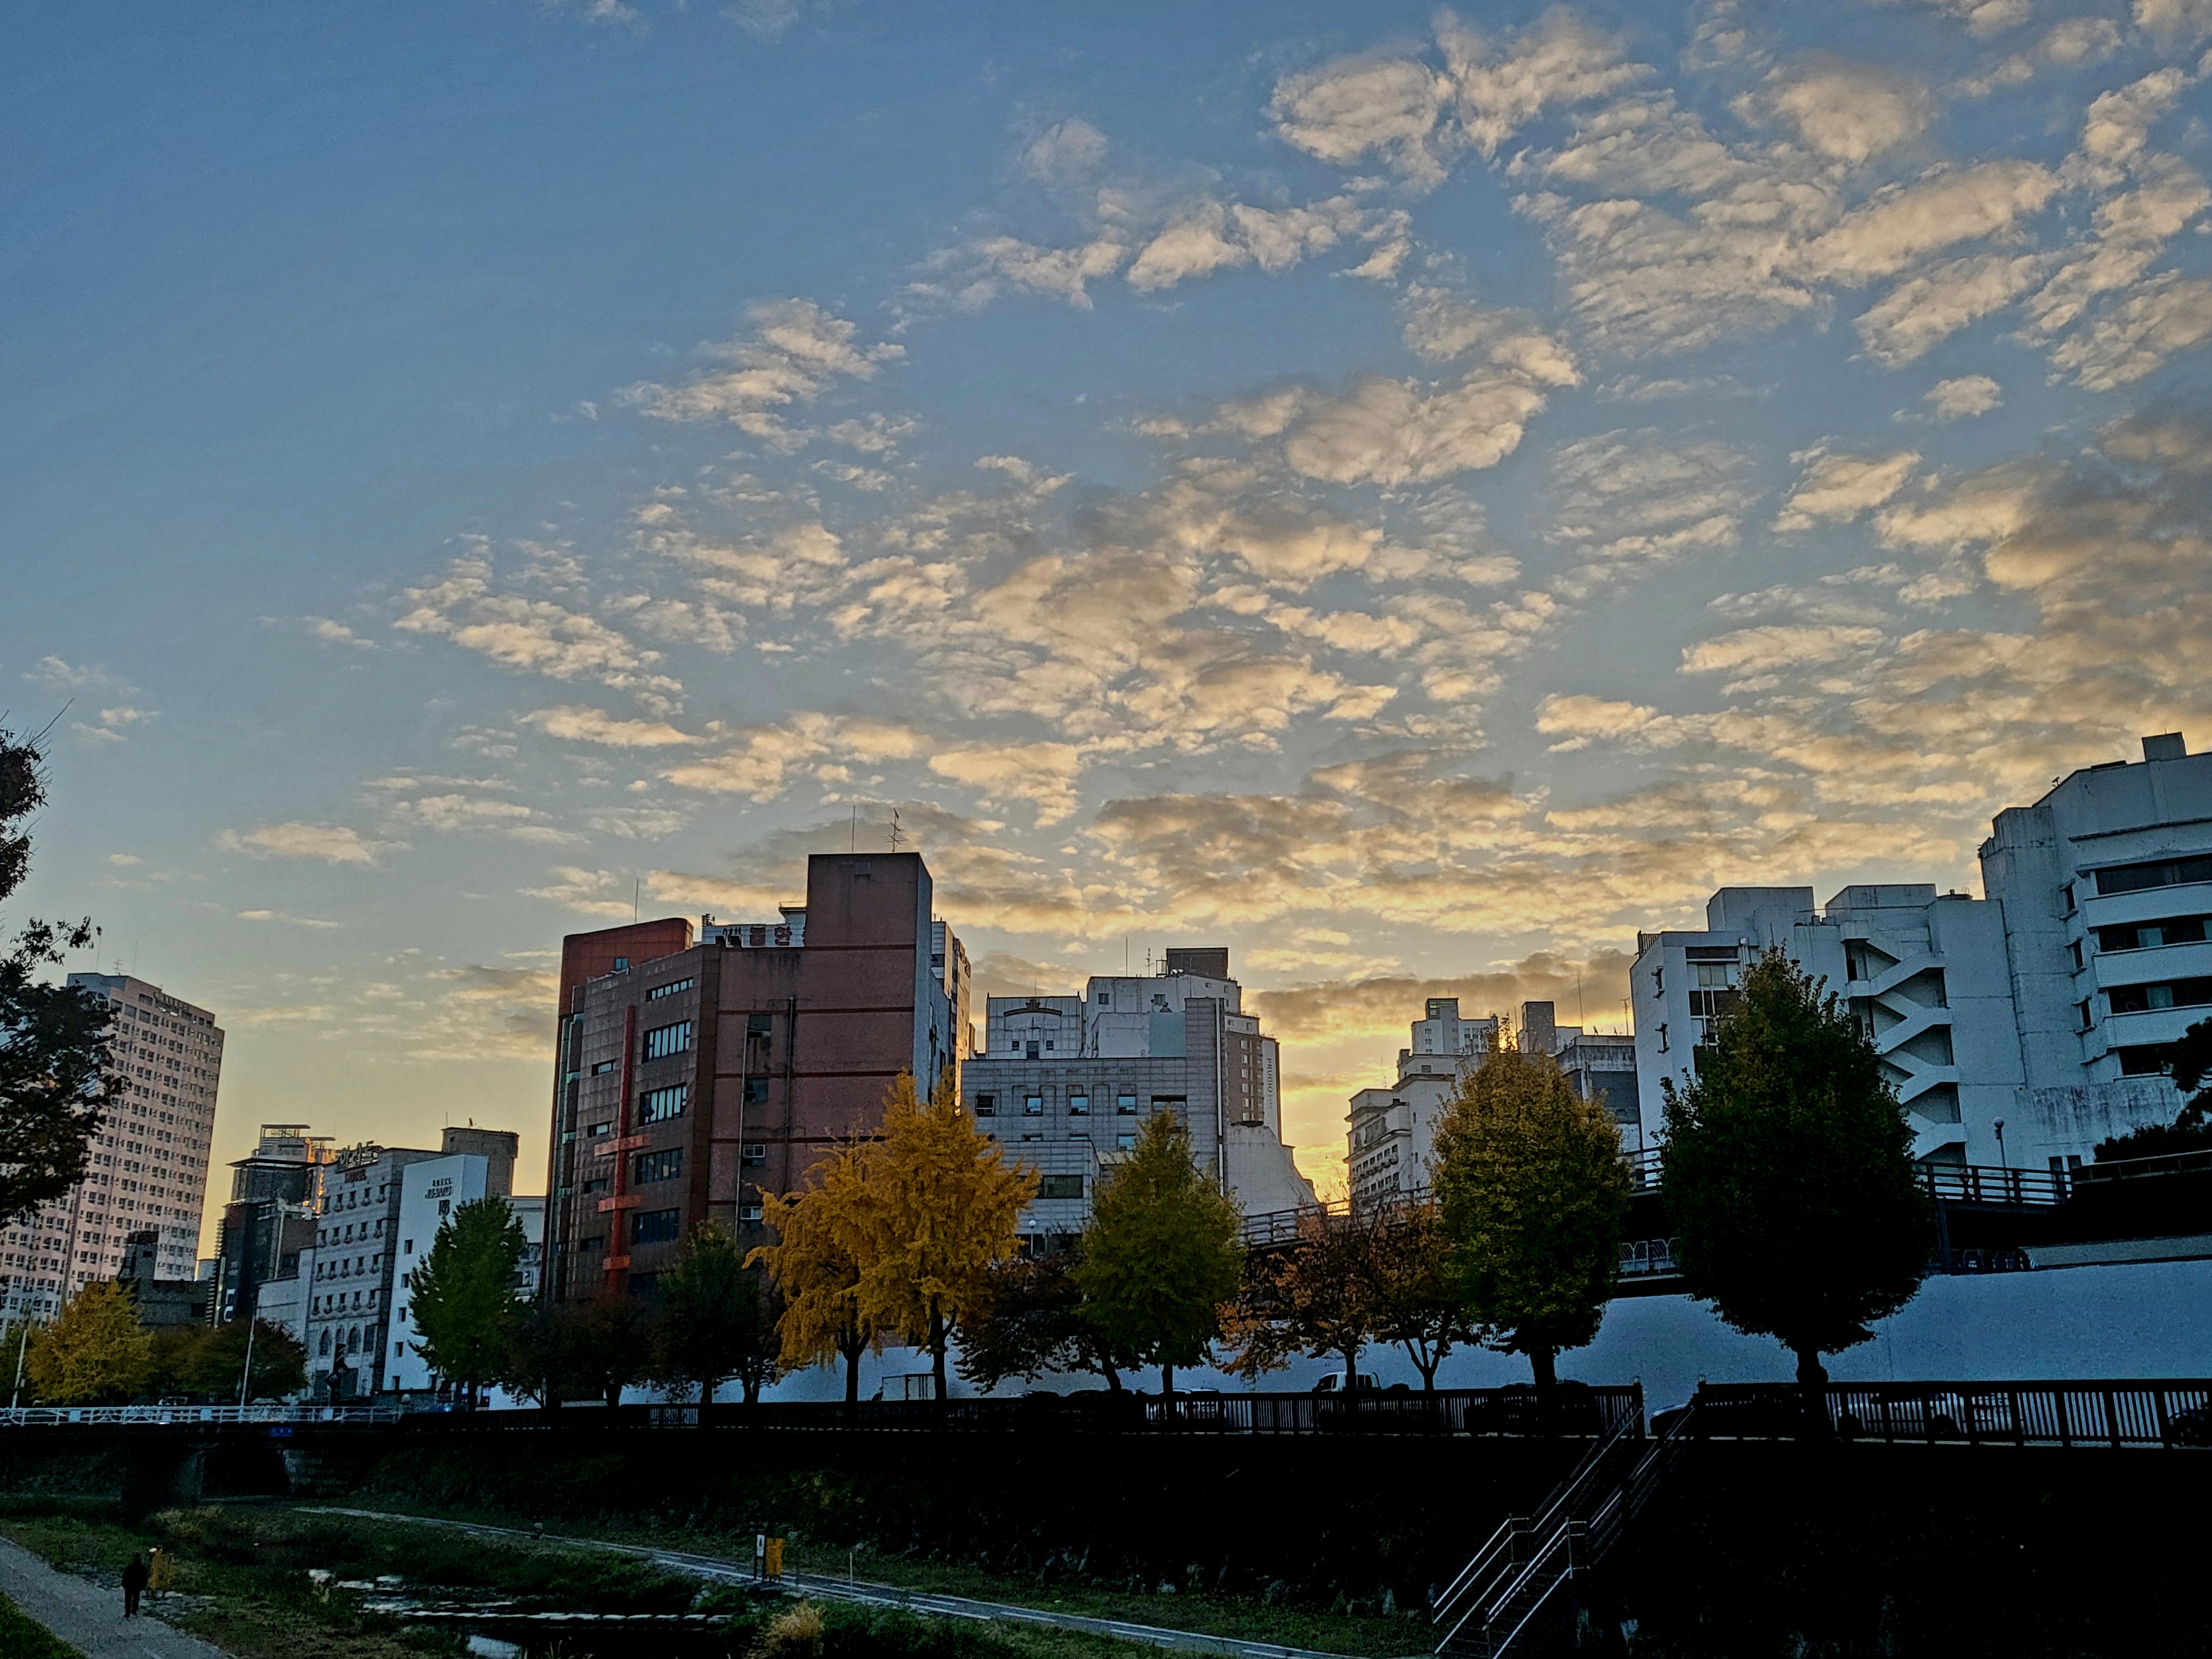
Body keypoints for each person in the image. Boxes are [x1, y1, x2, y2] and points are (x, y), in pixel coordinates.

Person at [121, 1553, 149, 1618]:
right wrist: (143, 1586)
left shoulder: (130, 1567)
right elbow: (145, 1578)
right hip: (137, 1586)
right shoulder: (143, 1568)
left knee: (128, 1600)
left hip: (129, 1586)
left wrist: (124, 1584)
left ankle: (127, 1613)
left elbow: (125, 1576)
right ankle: (134, 1611)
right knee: (136, 1599)